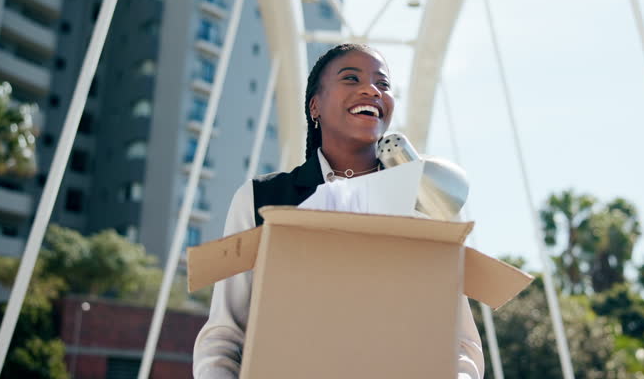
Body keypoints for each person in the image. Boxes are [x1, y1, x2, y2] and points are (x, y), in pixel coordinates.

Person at [193, 43, 484, 378]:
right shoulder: (261, 199)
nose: (371, 90)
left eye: (383, 84)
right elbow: (224, 337)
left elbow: (460, 345)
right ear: (315, 105)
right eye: (351, 78)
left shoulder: (427, 203)